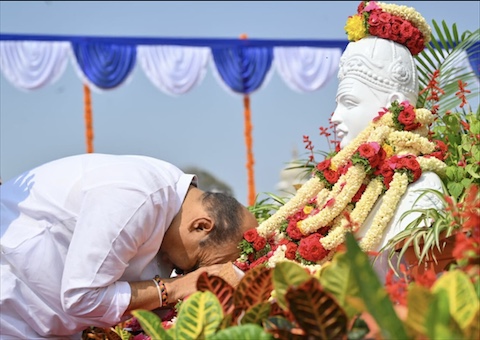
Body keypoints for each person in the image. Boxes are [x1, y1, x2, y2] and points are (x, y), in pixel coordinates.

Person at [234, 1, 446, 282]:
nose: (335, 117)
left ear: (396, 106)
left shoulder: (420, 189)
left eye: (349, 102)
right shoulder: (337, 187)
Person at [0, 153, 258, 339]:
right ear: (201, 226)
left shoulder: (169, 207)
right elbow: (81, 299)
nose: (190, 273)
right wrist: (180, 287)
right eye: (197, 265)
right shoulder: (136, 197)